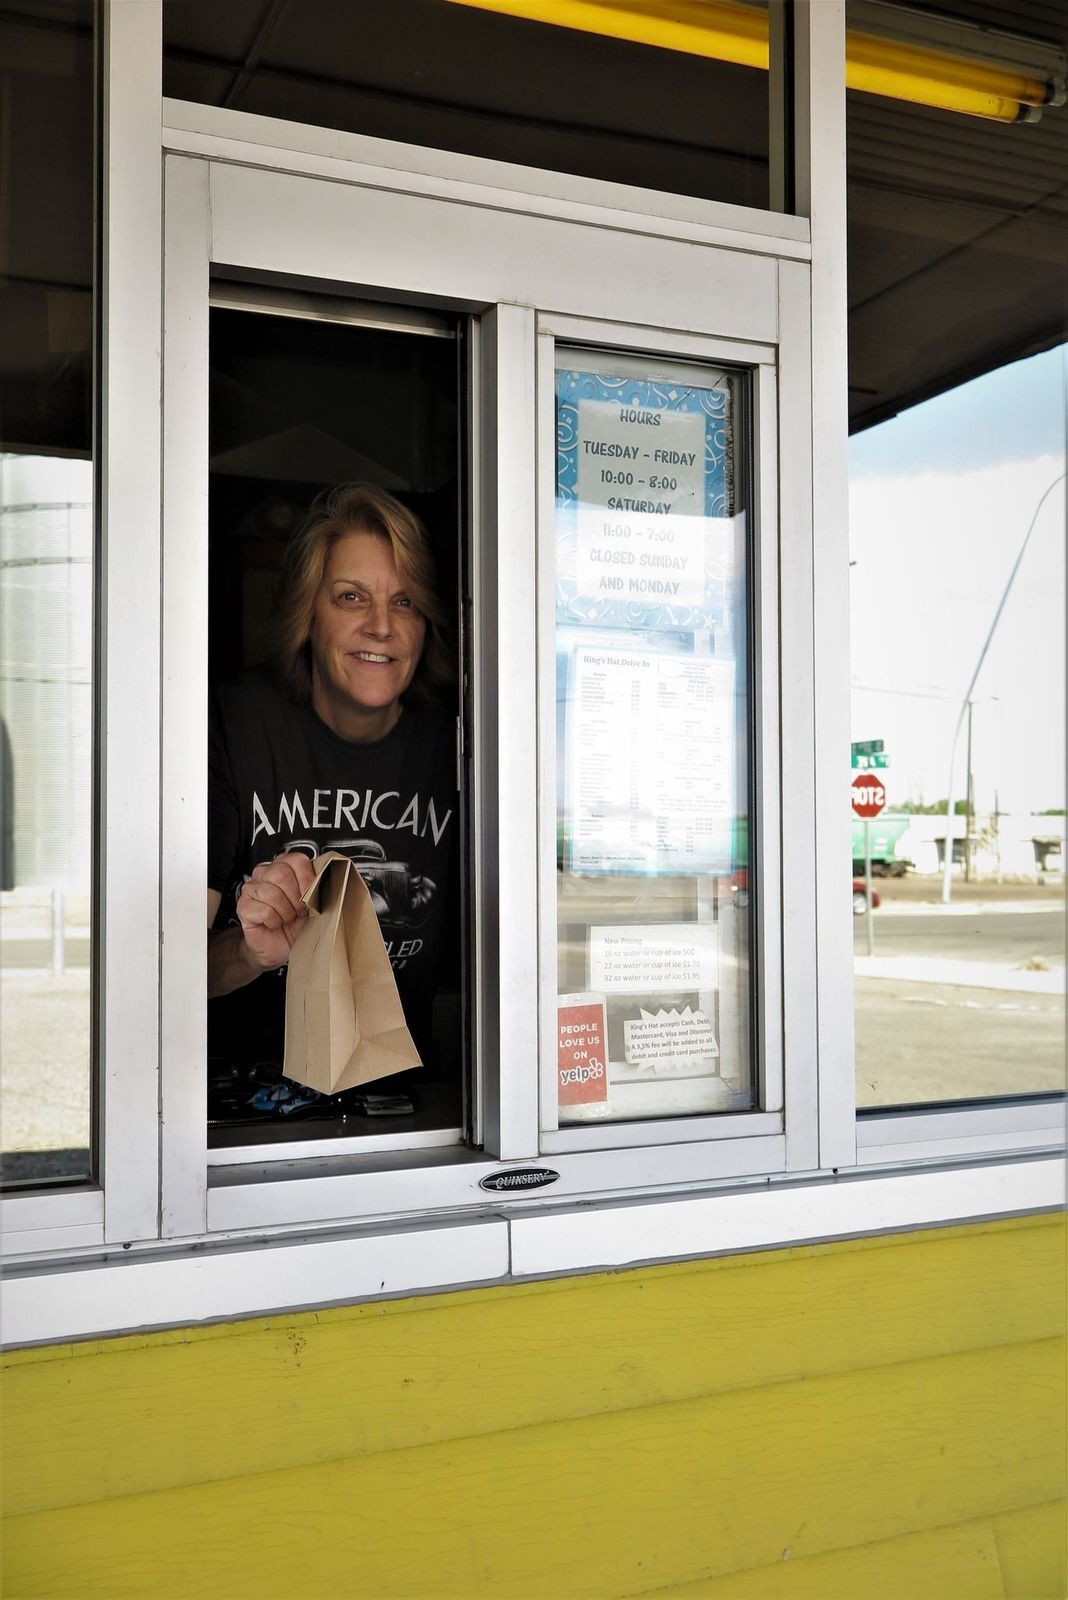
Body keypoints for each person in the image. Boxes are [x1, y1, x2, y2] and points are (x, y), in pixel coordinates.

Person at [207, 482, 458, 1118]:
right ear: (306, 613)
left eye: (404, 601)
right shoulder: (237, 724)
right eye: (351, 597)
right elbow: (158, 975)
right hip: (238, 1106)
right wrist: (249, 950)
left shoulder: (461, 744)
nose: (381, 625)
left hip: (404, 1112)